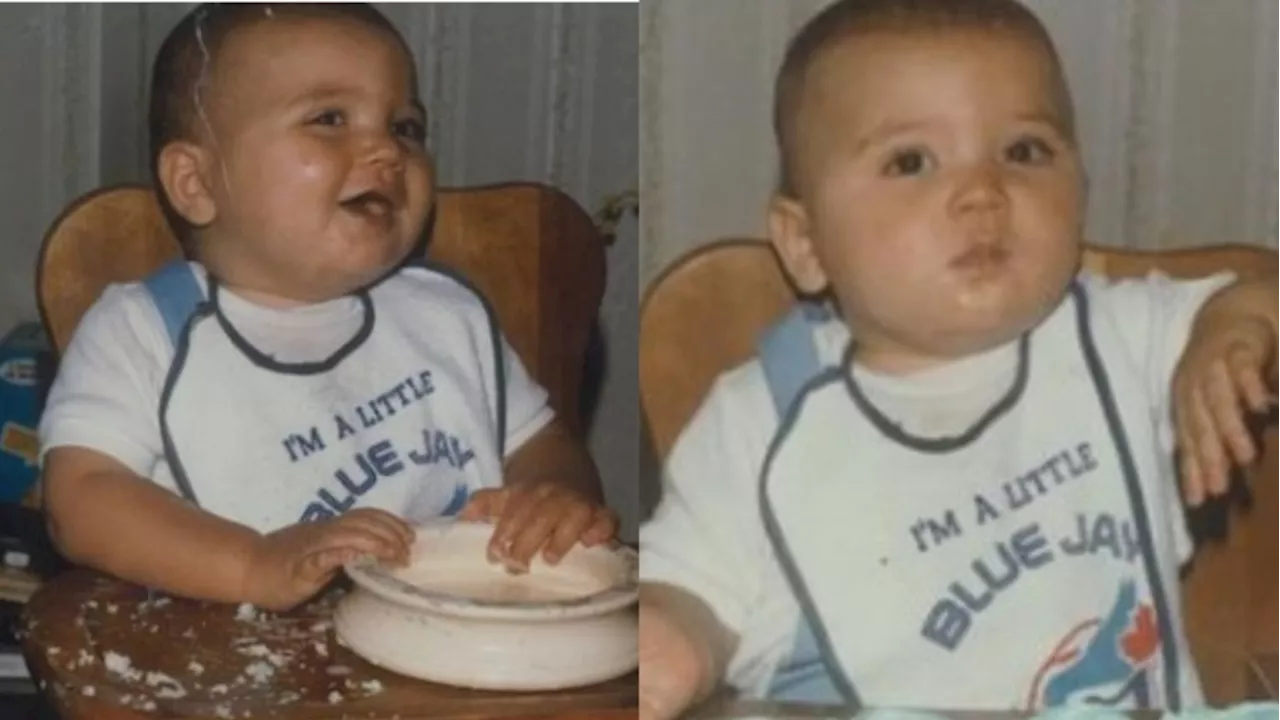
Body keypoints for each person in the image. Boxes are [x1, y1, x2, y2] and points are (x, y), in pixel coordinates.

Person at [638, 0, 1280, 715]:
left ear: (1082, 189)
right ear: (806, 242)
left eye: (1024, 151)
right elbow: (690, 591)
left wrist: (1233, 332)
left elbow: (1263, 296)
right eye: (911, 161)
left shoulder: (1125, 341)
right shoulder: (758, 421)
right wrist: (670, 641)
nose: (982, 192)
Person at [39, 3, 616, 614]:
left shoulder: (448, 314)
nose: (387, 152)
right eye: (330, 118)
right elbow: (81, 499)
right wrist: (252, 564)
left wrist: (556, 497)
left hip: (470, 655)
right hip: (242, 675)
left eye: (405, 127)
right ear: (197, 183)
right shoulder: (143, 332)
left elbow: (542, 443)